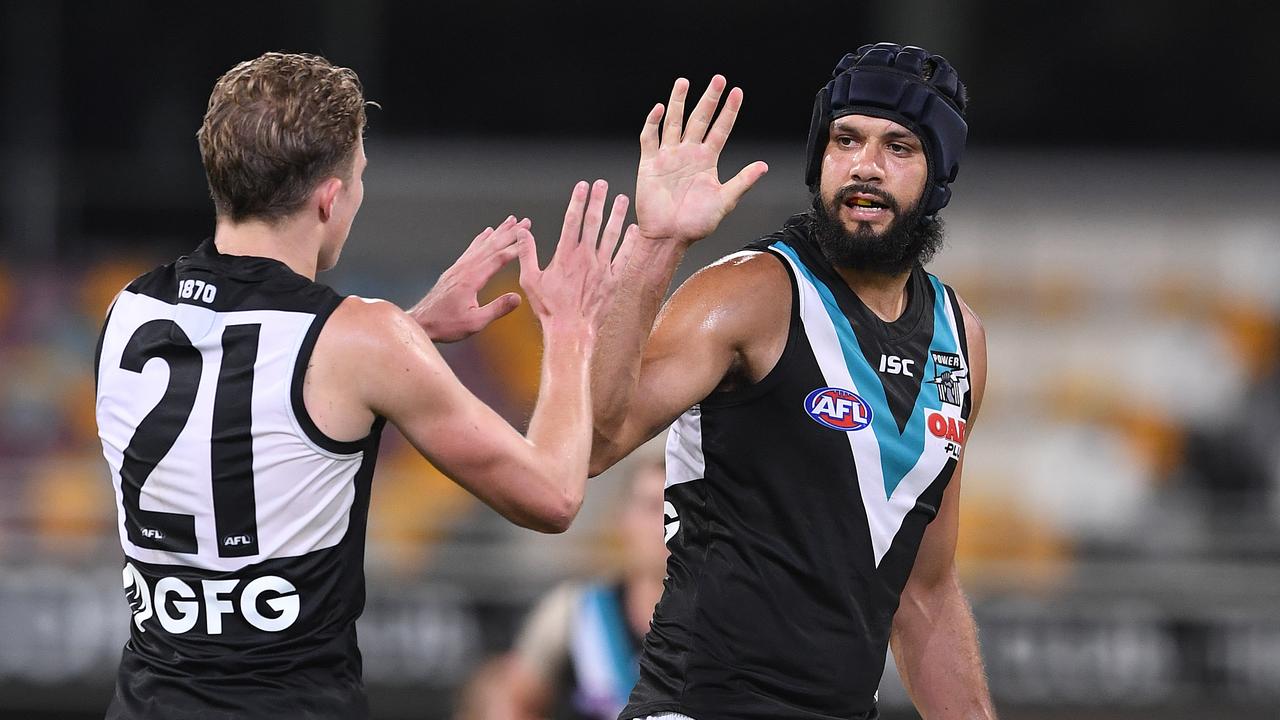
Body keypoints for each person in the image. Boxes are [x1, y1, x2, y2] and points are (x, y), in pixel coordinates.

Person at [93, 52, 635, 720]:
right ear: (329, 195)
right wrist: (571, 328)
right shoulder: (359, 340)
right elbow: (552, 496)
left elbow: (248, 382)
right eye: (359, 176)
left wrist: (411, 331)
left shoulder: (128, 311)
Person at [590, 43, 997, 719]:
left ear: (939, 175)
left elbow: (924, 591)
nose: (865, 166)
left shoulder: (962, 341)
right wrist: (658, 246)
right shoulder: (751, 292)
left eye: (899, 147)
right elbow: (600, 440)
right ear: (819, 157)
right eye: (846, 140)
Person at [456, 454, 668, 720]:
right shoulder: (575, 611)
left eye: (676, 511)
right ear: (621, 518)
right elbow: (515, 700)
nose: (664, 526)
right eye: (652, 507)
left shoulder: (724, 615)